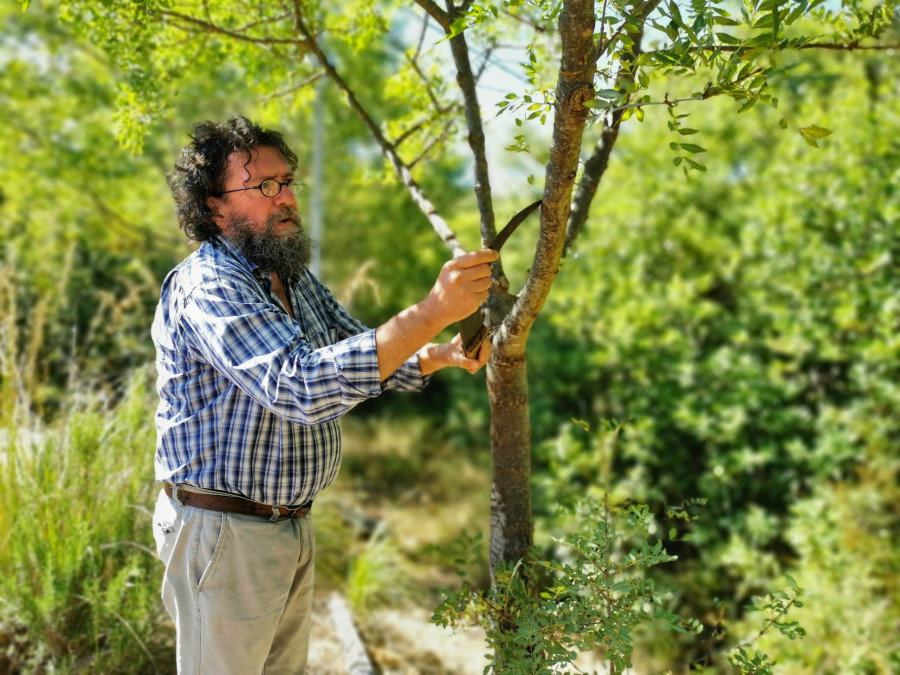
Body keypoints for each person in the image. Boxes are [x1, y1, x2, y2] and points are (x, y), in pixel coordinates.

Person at [150, 115, 497, 674]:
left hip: (286, 526)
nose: (285, 197)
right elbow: (302, 384)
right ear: (215, 207)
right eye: (264, 186)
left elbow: (356, 350)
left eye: (286, 181)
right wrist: (433, 310)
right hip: (224, 536)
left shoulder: (288, 272)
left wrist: (439, 352)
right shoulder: (210, 284)